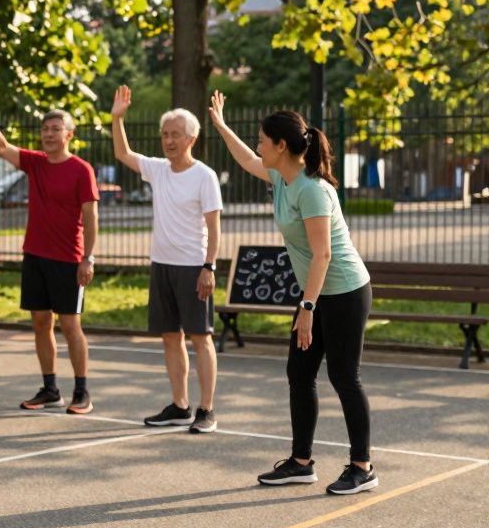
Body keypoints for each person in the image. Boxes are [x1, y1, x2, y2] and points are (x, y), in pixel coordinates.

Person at [210, 91, 378, 495]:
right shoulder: (281, 178)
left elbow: (323, 254)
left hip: (344, 291)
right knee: (299, 374)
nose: (258, 146)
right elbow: (247, 160)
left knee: (343, 376)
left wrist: (307, 308)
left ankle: (363, 467)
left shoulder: (313, 190)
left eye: (263, 140)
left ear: (281, 145)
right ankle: (301, 463)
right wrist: (220, 126)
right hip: (317, 293)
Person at [111, 87, 223, 433]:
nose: (168, 140)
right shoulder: (157, 169)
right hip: (161, 265)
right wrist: (117, 118)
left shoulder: (204, 176)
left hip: (193, 268)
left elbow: (214, 226)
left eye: (175, 134)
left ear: (191, 138)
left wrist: (209, 266)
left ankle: (206, 410)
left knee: (200, 337)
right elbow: (123, 152)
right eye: (164, 135)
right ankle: (180, 405)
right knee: (170, 338)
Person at [0, 101, 99, 414]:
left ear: (69, 134)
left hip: (69, 260)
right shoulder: (35, 163)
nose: (48, 134)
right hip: (35, 256)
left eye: (55, 129)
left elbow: (90, 217)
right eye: (45, 129)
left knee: (71, 325)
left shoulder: (81, 170)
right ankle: (50, 389)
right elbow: (1, 147)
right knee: (40, 322)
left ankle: (82, 391)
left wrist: (88, 258)